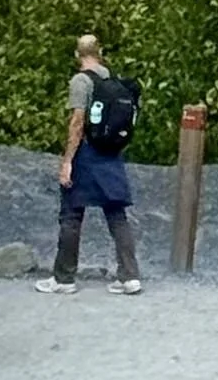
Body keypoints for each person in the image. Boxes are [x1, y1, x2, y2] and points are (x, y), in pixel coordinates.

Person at [37, 33, 143, 292]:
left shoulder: (81, 82)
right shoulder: (112, 80)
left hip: (86, 153)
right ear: (100, 51)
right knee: (117, 214)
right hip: (111, 153)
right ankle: (129, 276)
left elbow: (77, 122)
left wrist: (67, 161)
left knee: (72, 213)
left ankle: (64, 278)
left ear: (77, 54)